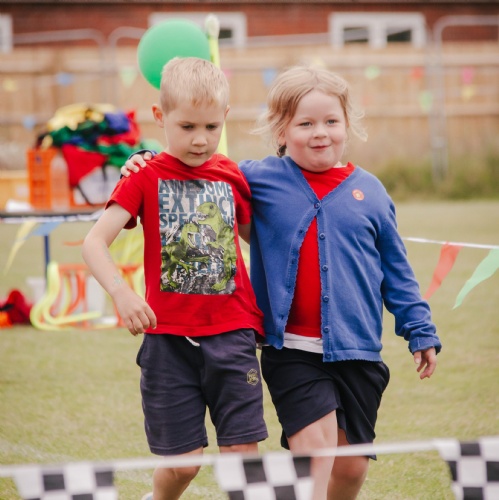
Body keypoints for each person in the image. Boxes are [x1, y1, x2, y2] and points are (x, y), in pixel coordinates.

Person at [122, 65, 442, 500]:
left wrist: (419, 329)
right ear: (281, 130)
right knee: (315, 454)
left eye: (331, 121)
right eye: (305, 123)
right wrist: (143, 159)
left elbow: (397, 271)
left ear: (347, 124)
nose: (320, 133)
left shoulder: (371, 192)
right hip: (290, 350)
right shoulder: (257, 178)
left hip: (358, 349)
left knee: (349, 470)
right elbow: (193, 168)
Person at [82, 57, 267, 500]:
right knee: (183, 465)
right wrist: (122, 293)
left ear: (225, 117)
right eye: (187, 127)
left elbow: (261, 240)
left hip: (233, 336)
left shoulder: (232, 176)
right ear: (160, 116)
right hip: (167, 342)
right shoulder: (144, 175)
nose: (200, 139)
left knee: (243, 456)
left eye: (211, 126)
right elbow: (94, 242)